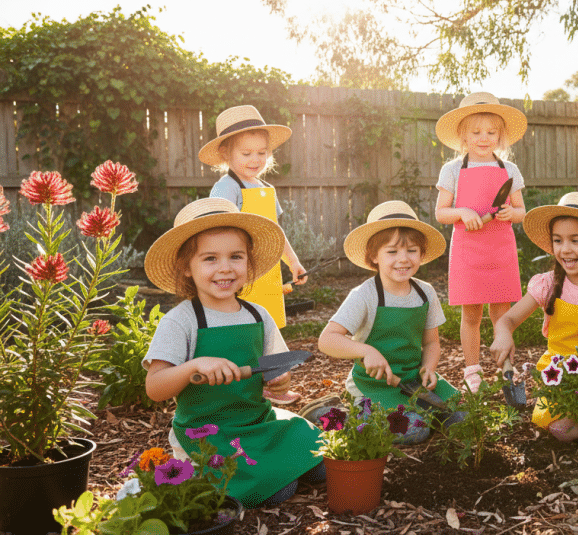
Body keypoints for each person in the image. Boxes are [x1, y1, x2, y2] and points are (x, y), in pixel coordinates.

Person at [142, 198, 324, 508]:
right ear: (187, 267)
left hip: (257, 422)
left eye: (235, 257)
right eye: (210, 258)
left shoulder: (258, 315)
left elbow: (273, 369)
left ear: (249, 263)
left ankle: (275, 469)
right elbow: (155, 388)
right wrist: (193, 366)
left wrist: (278, 381)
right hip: (209, 433)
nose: (225, 268)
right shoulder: (182, 320)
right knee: (280, 490)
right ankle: (265, 477)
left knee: (320, 459)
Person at [490, 192, 578, 442]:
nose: (565, 249)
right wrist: (503, 335)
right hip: (560, 376)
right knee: (563, 430)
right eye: (558, 240)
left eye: (576, 240)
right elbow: (507, 320)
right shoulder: (547, 284)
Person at [318, 201, 462, 443]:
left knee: (461, 416)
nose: (403, 259)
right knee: (415, 430)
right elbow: (327, 340)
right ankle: (339, 416)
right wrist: (366, 350)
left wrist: (428, 368)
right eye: (392, 252)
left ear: (422, 254)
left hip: (412, 381)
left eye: (412, 250)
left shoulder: (425, 293)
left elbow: (432, 342)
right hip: (373, 385)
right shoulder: (365, 295)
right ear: (374, 256)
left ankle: (407, 413)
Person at [200, 104, 306, 405]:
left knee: (268, 330)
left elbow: (275, 233)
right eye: (246, 154)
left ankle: (275, 386)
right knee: (244, 331)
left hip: (267, 272)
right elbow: (216, 228)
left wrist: (294, 263)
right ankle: (248, 388)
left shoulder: (265, 187)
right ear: (226, 155)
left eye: (261, 152)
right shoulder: (226, 187)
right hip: (239, 272)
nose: (255, 159)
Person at [434, 92, 528, 393]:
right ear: (463, 136)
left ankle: (506, 367)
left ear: (500, 136)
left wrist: (511, 212)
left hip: (500, 250)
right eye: (476, 132)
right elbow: (441, 213)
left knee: (502, 313)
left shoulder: (508, 170)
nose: (484, 138)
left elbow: (522, 212)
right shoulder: (452, 170)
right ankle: (472, 369)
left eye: (491, 132)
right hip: (468, 251)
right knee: (471, 313)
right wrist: (461, 211)